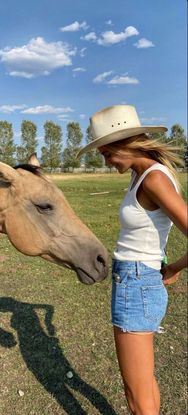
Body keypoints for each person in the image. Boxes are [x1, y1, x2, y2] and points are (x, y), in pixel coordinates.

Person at [78, 105, 187, 415]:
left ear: (124, 145)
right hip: (136, 281)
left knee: (136, 394)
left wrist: (176, 268)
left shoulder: (153, 179)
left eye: (107, 154)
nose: (106, 161)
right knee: (143, 385)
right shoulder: (145, 174)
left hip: (136, 284)